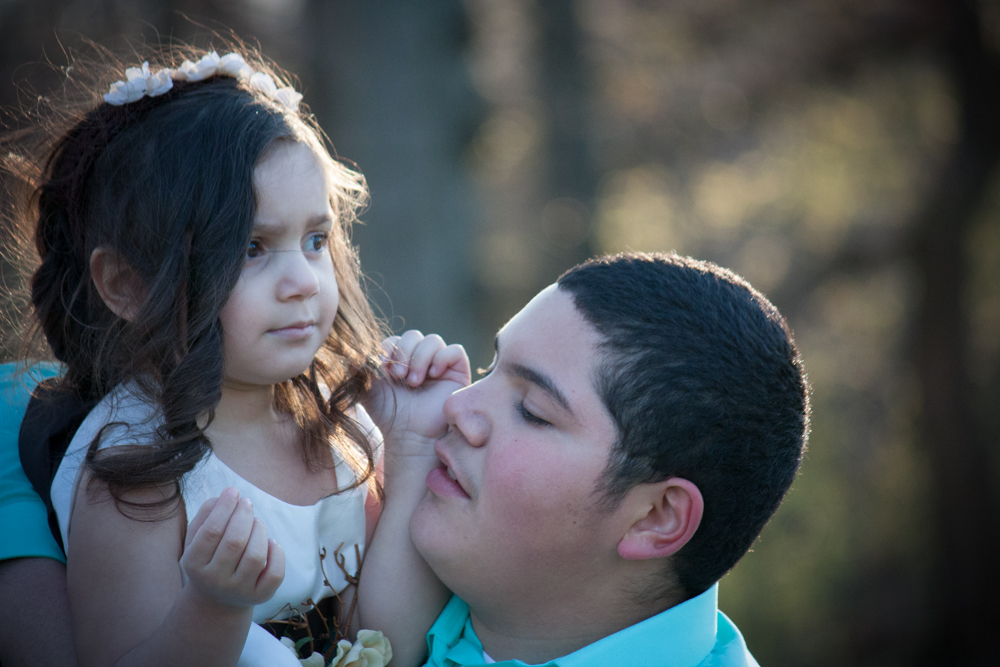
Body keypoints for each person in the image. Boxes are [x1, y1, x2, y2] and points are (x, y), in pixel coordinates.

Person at [1, 45, 468, 667]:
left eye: (315, 240)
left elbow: (381, 635)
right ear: (127, 284)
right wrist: (212, 607)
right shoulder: (133, 472)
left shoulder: (342, 424)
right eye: (250, 248)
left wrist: (410, 448)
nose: (303, 281)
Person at [367, 252, 810, 667]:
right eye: (490, 367)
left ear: (655, 517)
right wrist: (411, 454)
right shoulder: (409, 577)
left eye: (532, 411)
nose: (456, 405)